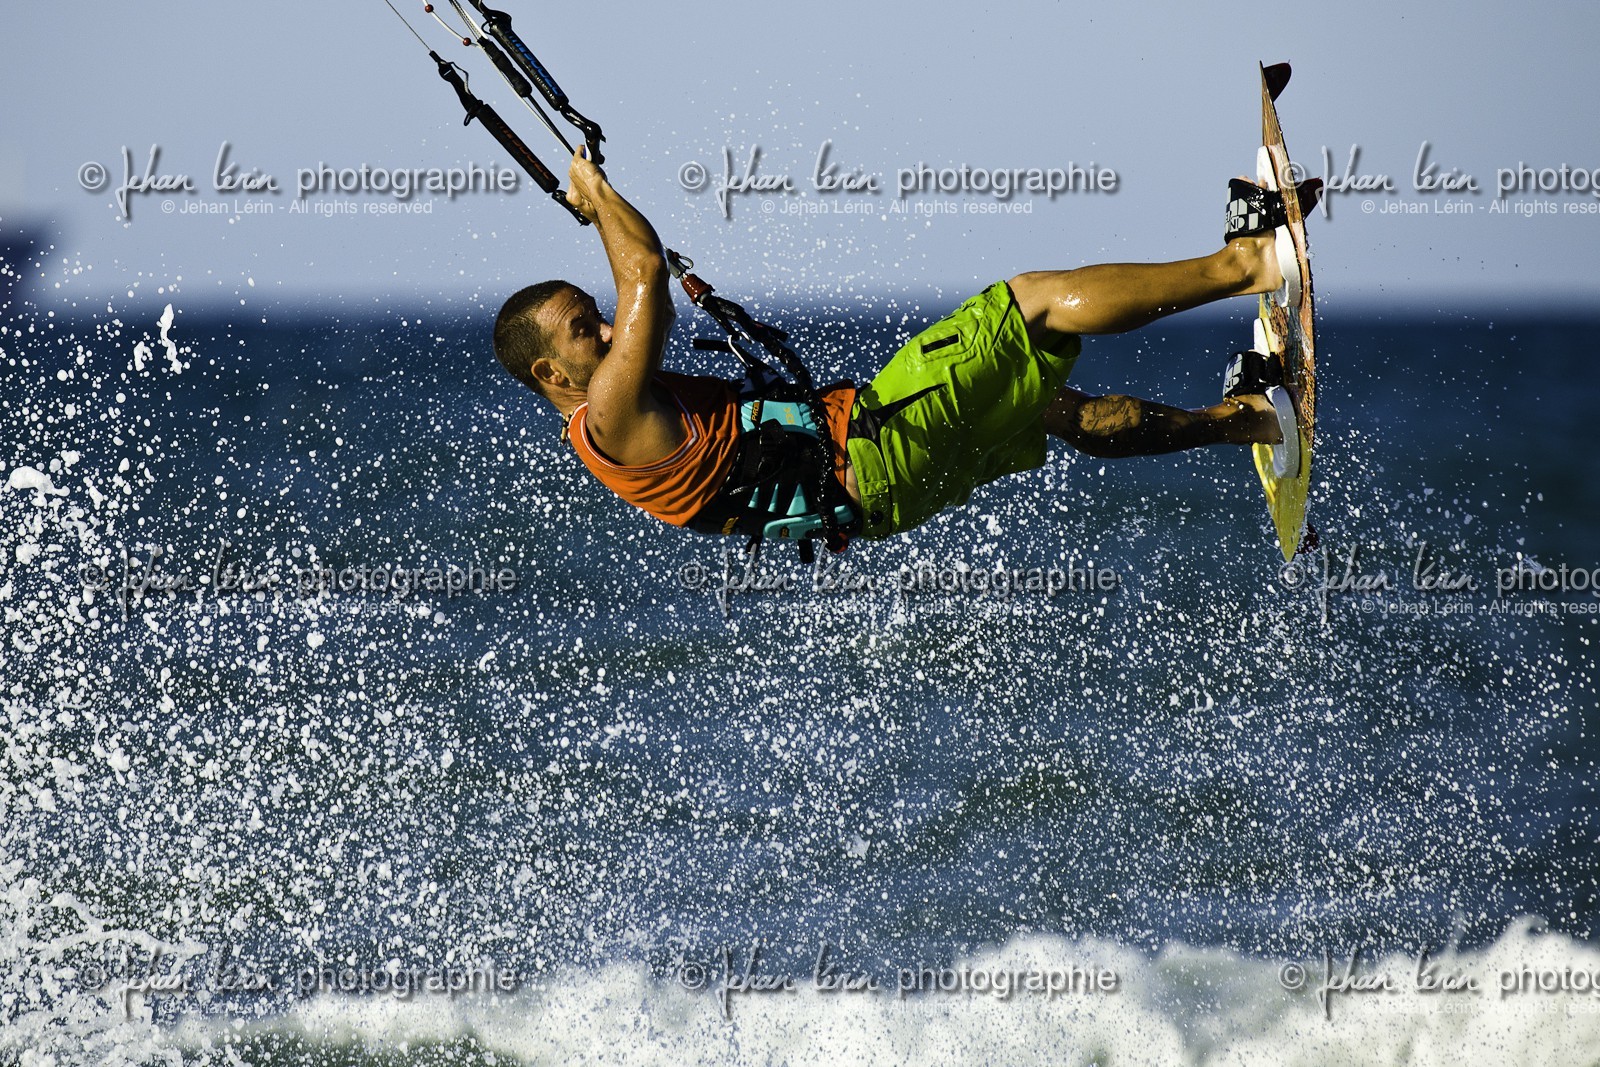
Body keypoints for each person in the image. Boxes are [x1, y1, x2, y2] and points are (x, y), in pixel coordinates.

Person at [493, 147, 1312, 549]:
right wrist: (596, 192)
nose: (606, 331)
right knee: (1029, 306)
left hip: (884, 499)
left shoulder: (606, 432)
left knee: (1054, 411)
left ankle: (1251, 421)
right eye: (582, 330)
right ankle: (1246, 263)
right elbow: (641, 273)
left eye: (593, 317)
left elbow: (636, 285)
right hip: (872, 444)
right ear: (547, 373)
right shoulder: (606, 414)